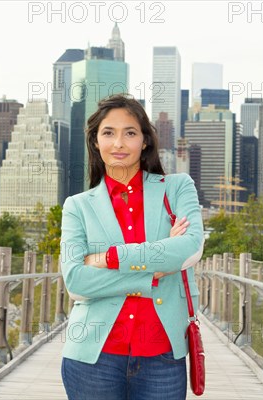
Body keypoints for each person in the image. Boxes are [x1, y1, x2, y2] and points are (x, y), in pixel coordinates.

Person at [59, 93, 204, 400]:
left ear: (145, 141)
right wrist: (151, 274)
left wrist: (109, 258)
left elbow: (190, 248)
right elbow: (76, 281)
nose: (119, 143)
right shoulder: (77, 206)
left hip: (162, 356)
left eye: (130, 133)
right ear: (96, 142)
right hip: (91, 357)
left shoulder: (177, 188)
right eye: (108, 133)